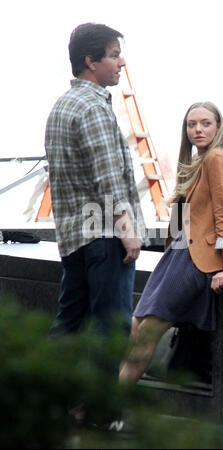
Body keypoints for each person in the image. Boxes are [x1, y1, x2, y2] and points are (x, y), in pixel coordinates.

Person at [119, 101, 223, 384]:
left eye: (205, 123)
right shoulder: (196, 161)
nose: (197, 129)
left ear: (218, 127)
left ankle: (107, 407)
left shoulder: (216, 159)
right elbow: (182, 217)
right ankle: (108, 400)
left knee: (147, 331)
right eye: (192, 124)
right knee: (137, 325)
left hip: (193, 259)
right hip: (177, 255)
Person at [45, 23, 147, 361]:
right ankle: (104, 414)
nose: (121, 63)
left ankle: (39, 400)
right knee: (112, 331)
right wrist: (128, 231)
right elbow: (108, 178)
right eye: (114, 56)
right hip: (104, 238)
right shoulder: (94, 108)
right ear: (91, 61)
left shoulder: (62, 106)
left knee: (68, 325)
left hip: (74, 238)